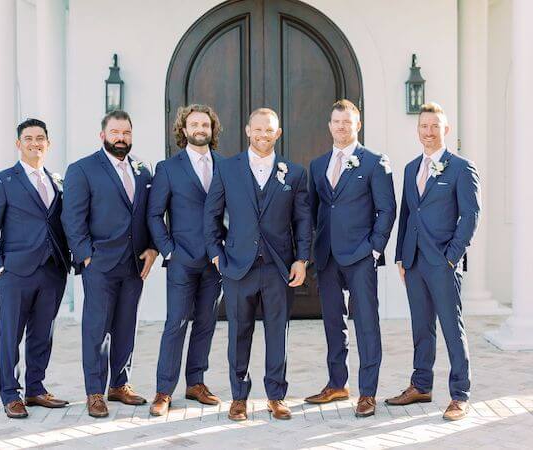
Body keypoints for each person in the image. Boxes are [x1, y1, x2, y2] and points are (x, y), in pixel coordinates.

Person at [204, 108, 311, 421]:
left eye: (270, 131)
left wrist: (302, 260)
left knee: (278, 332)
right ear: (248, 131)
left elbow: (303, 221)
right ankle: (239, 397)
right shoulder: (227, 169)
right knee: (239, 331)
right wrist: (216, 253)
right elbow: (211, 214)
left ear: (278, 134)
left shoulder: (293, 172)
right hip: (238, 265)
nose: (264, 135)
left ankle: (276, 396)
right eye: (259, 130)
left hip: (279, 267)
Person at [386, 102, 481, 421]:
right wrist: (400, 255)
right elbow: (407, 213)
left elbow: (470, 215)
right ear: (418, 130)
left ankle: (460, 394)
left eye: (434, 127)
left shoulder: (461, 168)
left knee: (452, 328)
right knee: (421, 327)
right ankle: (421, 385)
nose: (428, 132)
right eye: (424, 127)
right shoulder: (411, 167)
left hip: (443, 262)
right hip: (413, 262)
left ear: (446, 130)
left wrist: (452, 256)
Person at [61, 110, 158, 418]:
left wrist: (153, 248)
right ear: (102, 135)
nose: (121, 137)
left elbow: (150, 214)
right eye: (115, 132)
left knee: (127, 326)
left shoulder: (143, 171)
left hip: (134, 264)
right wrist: (85, 255)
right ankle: (94, 392)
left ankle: (119, 384)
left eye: (126, 133)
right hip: (99, 263)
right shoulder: (82, 169)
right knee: (96, 328)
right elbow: (72, 218)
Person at [304, 100, 396, 417]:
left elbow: (387, 209)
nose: (341, 127)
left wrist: (374, 249)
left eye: (347, 122)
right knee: (333, 323)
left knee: (366, 324)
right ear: (329, 125)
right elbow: (313, 211)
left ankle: (367, 392)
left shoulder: (373, 162)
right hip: (327, 256)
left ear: (358, 125)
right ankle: (337, 383)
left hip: (360, 256)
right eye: (336, 121)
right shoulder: (317, 165)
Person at [0, 118, 70, 418]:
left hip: (52, 270)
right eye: (28, 138)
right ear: (18, 144)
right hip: (15, 272)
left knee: (42, 334)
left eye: (40, 138)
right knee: (10, 335)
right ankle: (10, 393)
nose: (35, 143)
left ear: (48, 143)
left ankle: (35, 388)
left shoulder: (56, 181)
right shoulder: (2, 180)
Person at [146, 104, 225, 416]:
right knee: (175, 323)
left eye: (205, 124)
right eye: (194, 124)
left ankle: (196, 383)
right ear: (184, 129)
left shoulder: (226, 165)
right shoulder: (168, 168)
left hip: (216, 260)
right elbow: (154, 214)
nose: (200, 129)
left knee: (206, 324)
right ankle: (164, 390)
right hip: (181, 259)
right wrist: (168, 250)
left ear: (212, 129)